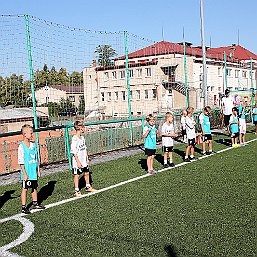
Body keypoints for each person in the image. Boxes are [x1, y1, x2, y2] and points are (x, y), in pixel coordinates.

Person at [18, 124, 45, 214]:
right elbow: (21, 162)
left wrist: (38, 170)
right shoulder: (21, 146)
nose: (32, 135)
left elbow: (36, 159)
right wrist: (25, 174)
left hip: (33, 171)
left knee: (34, 187)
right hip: (27, 172)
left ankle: (35, 203)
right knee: (25, 188)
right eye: (31, 133)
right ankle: (23, 206)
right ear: (25, 134)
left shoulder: (33, 145)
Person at [71, 120, 97, 197]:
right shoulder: (75, 139)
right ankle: (76, 190)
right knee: (77, 175)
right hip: (78, 161)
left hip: (83, 160)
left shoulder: (82, 138)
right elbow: (74, 152)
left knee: (87, 172)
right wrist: (78, 162)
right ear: (80, 128)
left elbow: (85, 149)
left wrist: (86, 158)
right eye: (83, 127)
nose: (84, 128)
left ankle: (88, 186)